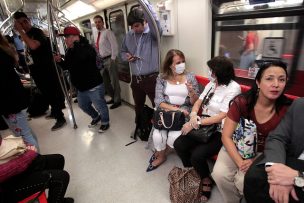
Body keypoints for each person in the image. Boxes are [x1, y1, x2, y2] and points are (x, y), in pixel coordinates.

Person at [212, 60, 292, 203]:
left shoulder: (287, 109)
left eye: (281, 80)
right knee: (219, 174)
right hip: (237, 145)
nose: (276, 84)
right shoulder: (242, 102)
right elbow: (226, 136)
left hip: (264, 152)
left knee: (244, 181)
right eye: (269, 78)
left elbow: (284, 143)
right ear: (258, 82)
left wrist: (254, 160)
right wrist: (240, 161)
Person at [173, 56, 241, 202]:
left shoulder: (234, 88)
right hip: (202, 123)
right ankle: (196, 173)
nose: (210, 73)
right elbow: (198, 101)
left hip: (219, 129)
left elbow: (223, 115)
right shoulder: (212, 83)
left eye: (212, 71)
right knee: (179, 144)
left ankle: (206, 181)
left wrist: (195, 123)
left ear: (220, 73)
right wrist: (192, 115)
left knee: (197, 155)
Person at [146, 49, 200, 172]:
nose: (182, 64)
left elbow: (195, 102)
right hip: (166, 110)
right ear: (170, 65)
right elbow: (158, 101)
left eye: (183, 61)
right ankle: (161, 156)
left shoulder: (190, 77)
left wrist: (191, 92)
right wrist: (177, 109)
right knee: (158, 135)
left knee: (174, 137)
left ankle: (162, 153)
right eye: (178, 62)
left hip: (185, 112)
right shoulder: (161, 77)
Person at [244, 98, 304, 203]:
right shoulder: (300, 105)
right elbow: (278, 137)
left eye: (281, 80)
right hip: (291, 157)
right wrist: (277, 171)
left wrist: (298, 177)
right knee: (254, 178)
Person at [13, 11, 66, 131]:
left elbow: (33, 46)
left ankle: (60, 118)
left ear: (28, 21)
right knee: (46, 93)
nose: (22, 25)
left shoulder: (36, 32)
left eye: (23, 22)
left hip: (46, 70)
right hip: (37, 71)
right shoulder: (26, 35)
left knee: (52, 93)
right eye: (19, 24)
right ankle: (54, 112)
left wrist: (21, 31)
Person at [56, 26, 110, 133]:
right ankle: (95, 117)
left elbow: (83, 58)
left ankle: (105, 122)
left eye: (67, 37)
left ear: (75, 37)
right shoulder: (69, 51)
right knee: (83, 105)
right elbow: (68, 65)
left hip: (93, 85)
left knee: (100, 105)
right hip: (81, 87)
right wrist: (60, 61)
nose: (65, 40)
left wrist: (76, 45)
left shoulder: (87, 47)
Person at [120, 0, 161, 128]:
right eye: (132, 26)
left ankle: (160, 129)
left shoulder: (153, 35)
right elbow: (122, 51)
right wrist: (126, 57)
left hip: (151, 79)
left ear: (145, 21)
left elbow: (155, 23)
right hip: (135, 79)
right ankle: (140, 127)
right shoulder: (129, 36)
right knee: (138, 105)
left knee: (158, 106)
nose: (134, 29)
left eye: (137, 25)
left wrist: (145, 5)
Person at [0, 136, 73, 203]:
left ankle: (55, 199)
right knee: (61, 177)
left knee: (57, 160)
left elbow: (6, 145)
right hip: (5, 190)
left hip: (10, 169)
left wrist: (24, 147)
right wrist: (28, 155)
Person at [0, 33, 39, 149]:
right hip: (15, 100)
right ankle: (39, 158)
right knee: (27, 133)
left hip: (10, 104)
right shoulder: (4, 50)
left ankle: (38, 162)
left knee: (24, 136)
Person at [93, 15, 122, 109]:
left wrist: (113, 59)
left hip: (110, 59)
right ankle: (113, 97)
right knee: (105, 82)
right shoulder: (97, 34)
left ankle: (117, 101)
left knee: (114, 81)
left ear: (102, 23)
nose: (97, 24)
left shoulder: (107, 32)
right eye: (95, 22)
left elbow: (114, 46)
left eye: (99, 22)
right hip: (102, 61)